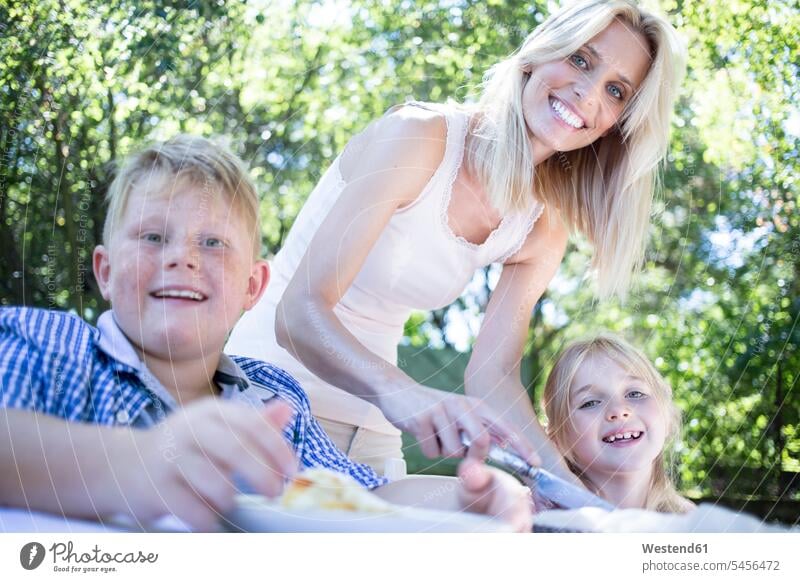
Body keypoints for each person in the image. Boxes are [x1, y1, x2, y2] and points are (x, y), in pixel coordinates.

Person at [225, 0, 686, 478]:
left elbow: (492, 381)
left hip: (372, 427)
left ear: (618, 124)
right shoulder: (419, 137)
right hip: (267, 395)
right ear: (539, 53)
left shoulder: (541, 231)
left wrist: (569, 490)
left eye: (615, 90)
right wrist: (405, 394)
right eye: (580, 59)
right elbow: (298, 313)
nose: (587, 94)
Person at [0, 135, 532, 532]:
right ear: (106, 272)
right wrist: (142, 462)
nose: (182, 257)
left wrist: (468, 501)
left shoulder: (275, 399)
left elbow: (368, 495)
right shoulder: (46, 344)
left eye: (212, 243)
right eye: (154, 236)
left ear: (252, 287)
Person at [542, 334, 695, 512]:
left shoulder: (698, 525)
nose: (618, 410)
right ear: (557, 440)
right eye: (589, 403)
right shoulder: (531, 522)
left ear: (667, 417)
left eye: (635, 394)